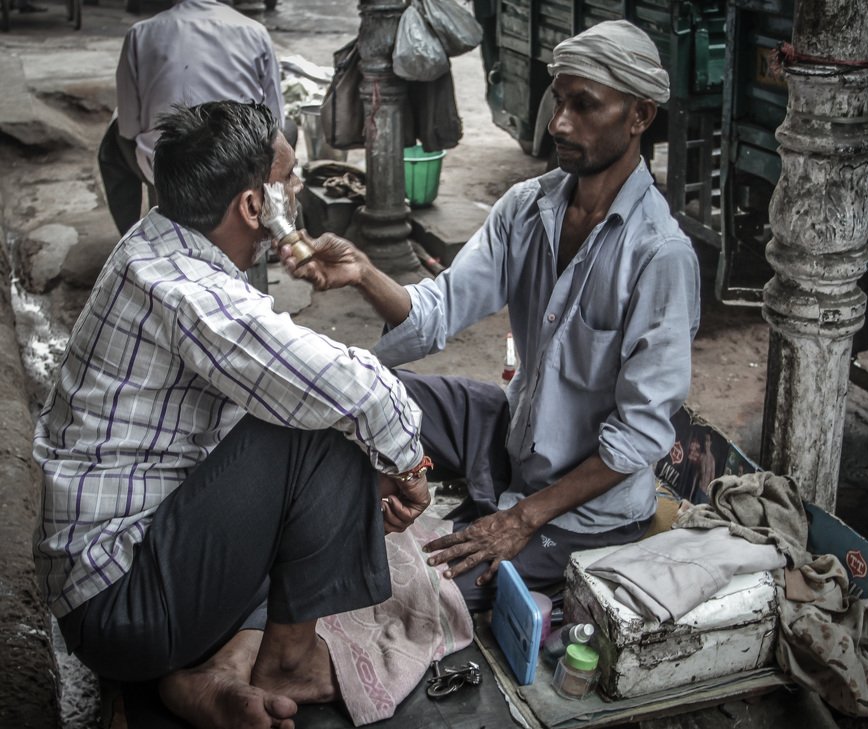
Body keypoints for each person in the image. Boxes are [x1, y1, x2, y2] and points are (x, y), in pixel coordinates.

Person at [34, 101, 431, 729]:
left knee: (312, 460)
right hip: (120, 607)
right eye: (289, 179)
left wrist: (349, 493)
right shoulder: (192, 291)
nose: (297, 189)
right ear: (254, 207)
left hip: (116, 590)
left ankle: (206, 671)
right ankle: (288, 662)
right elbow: (357, 389)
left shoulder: (157, 241)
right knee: (327, 430)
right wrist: (410, 463)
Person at [283, 20, 701, 610]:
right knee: (362, 393)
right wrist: (363, 273)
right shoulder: (528, 209)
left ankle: (500, 538)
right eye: (559, 101)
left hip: (584, 508)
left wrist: (521, 519)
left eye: (585, 106)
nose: (558, 123)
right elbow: (437, 312)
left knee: (421, 592)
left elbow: (638, 437)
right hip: (511, 436)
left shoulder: (659, 256)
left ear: (639, 116)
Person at [98, 0, 287, 236]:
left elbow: (128, 127)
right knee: (285, 134)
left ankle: (132, 237)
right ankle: (274, 224)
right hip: (241, 169)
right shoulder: (254, 31)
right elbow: (277, 118)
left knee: (112, 144)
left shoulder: (140, 33)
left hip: (163, 167)